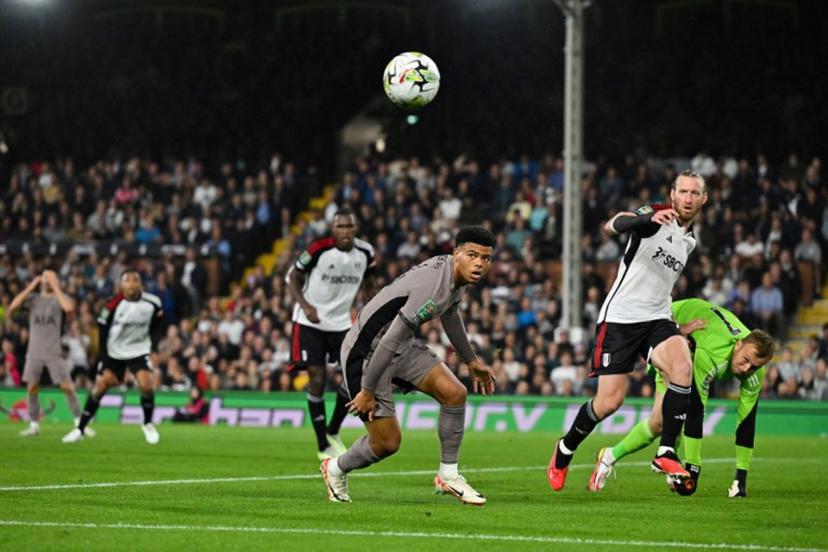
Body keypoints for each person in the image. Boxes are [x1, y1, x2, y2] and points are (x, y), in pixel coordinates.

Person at [548, 170, 707, 492]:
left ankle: (665, 451)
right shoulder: (655, 216)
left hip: (657, 318)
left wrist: (676, 327)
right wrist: (642, 218)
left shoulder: (690, 241)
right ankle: (564, 449)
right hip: (621, 318)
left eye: (695, 193)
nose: (688, 198)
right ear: (672, 193)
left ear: (704, 199)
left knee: (682, 365)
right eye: (683, 191)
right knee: (609, 403)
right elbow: (612, 225)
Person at [320, 226, 497, 505]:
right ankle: (335, 469)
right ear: (456, 254)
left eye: (486, 258)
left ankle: (449, 475)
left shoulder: (452, 278)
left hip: (399, 346)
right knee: (387, 443)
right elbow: (388, 341)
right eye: (472, 255)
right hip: (365, 353)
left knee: (455, 393)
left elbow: (450, 315)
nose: (479, 263)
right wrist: (366, 391)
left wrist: (471, 361)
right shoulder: (432, 287)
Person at [590, 299, 774, 497]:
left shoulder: (754, 372)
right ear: (738, 345)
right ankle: (668, 461)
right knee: (674, 413)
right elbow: (696, 409)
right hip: (666, 329)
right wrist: (693, 469)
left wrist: (741, 480)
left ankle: (610, 456)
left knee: (658, 423)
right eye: (746, 361)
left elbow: (746, 423)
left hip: (691, 343)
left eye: (755, 366)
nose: (747, 369)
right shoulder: (712, 354)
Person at [287, 207, 375, 460]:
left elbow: (370, 283)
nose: (345, 231)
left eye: (349, 226)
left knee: (353, 376)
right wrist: (306, 305)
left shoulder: (366, 253)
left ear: (355, 228)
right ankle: (321, 444)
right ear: (332, 229)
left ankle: (333, 430)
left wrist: (368, 308)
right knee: (317, 378)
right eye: (340, 226)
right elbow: (292, 276)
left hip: (341, 324)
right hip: (310, 322)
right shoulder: (318, 249)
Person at [62, 270, 164, 444]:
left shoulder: (153, 302)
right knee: (101, 387)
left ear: (141, 284)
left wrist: (153, 349)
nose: (131, 284)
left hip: (139, 350)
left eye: (135, 280)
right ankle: (80, 429)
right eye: (127, 280)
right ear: (121, 285)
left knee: (147, 385)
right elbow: (102, 333)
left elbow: (157, 326)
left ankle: (147, 423)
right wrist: (105, 360)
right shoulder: (111, 305)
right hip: (114, 351)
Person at [9, 270, 94, 438]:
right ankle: (34, 425)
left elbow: (69, 308)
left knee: (67, 387)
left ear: (56, 280)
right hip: (34, 351)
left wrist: (56, 287)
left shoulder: (59, 300)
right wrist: (31, 286)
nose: (46, 280)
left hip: (53, 351)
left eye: (50, 277)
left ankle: (80, 425)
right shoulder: (33, 299)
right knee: (32, 387)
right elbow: (13, 307)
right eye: (44, 277)